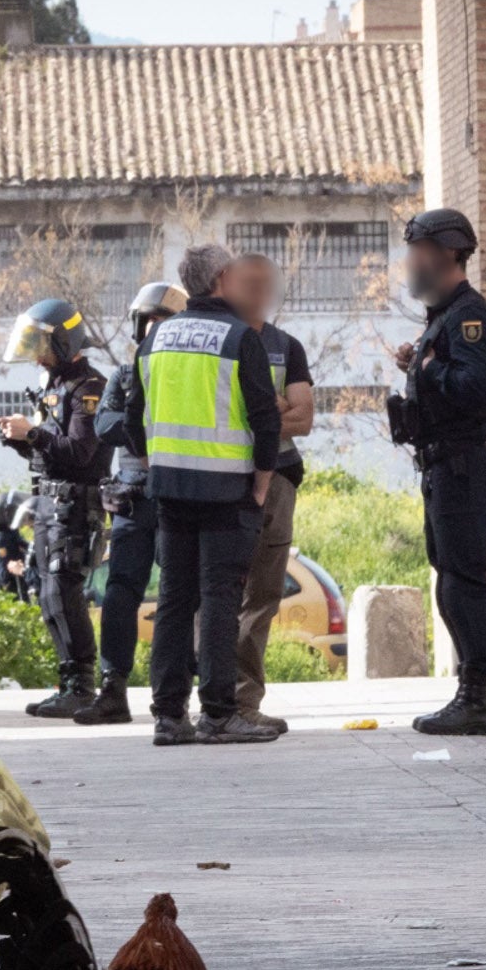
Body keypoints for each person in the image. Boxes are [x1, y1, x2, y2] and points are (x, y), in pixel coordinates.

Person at [121, 245, 284, 746]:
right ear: (220, 278)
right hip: (226, 491)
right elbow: (265, 419)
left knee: (173, 599)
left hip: (170, 490)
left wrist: (160, 467)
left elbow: (132, 421)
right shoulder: (239, 338)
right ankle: (218, 714)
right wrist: (260, 486)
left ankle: (169, 717)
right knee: (218, 599)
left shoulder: (156, 338)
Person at [392, 208, 486, 735]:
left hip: (461, 465)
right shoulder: (443, 316)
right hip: (440, 464)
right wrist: (416, 363)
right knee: (450, 580)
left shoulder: (470, 315)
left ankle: (477, 696)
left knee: (463, 582)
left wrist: (430, 367)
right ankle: (468, 691)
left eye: (417, 252)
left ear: (443, 254)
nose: (410, 262)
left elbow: (477, 389)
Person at [73, 280, 188, 726]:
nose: (155, 332)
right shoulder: (124, 374)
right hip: (133, 500)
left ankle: (177, 696)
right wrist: (145, 430)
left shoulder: (186, 377)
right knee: (120, 593)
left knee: (182, 598)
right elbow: (104, 422)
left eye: (165, 324)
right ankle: (112, 689)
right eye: (150, 324)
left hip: (177, 497)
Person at [0, 298, 113, 719]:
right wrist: (19, 439)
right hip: (48, 502)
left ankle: (83, 686)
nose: (37, 355)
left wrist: (35, 434)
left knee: (64, 592)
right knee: (46, 594)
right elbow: (49, 457)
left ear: (64, 342)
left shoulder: (89, 389)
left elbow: (81, 453)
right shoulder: (54, 387)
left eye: (42, 345)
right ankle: (68, 683)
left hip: (77, 507)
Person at [227, 253, 314, 735]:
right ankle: (217, 701)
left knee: (262, 594)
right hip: (227, 479)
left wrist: (259, 416)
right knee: (217, 593)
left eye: (267, 283)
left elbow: (304, 417)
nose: (259, 291)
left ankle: (245, 702)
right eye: (249, 283)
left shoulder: (286, 346)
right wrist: (271, 411)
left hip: (278, 477)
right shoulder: (220, 339)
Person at [0, 489, 33, 601]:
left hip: (19, 592)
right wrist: (18, 569)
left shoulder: (11, 534)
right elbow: (3, 576)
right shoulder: (0, 539)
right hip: (8, 598)